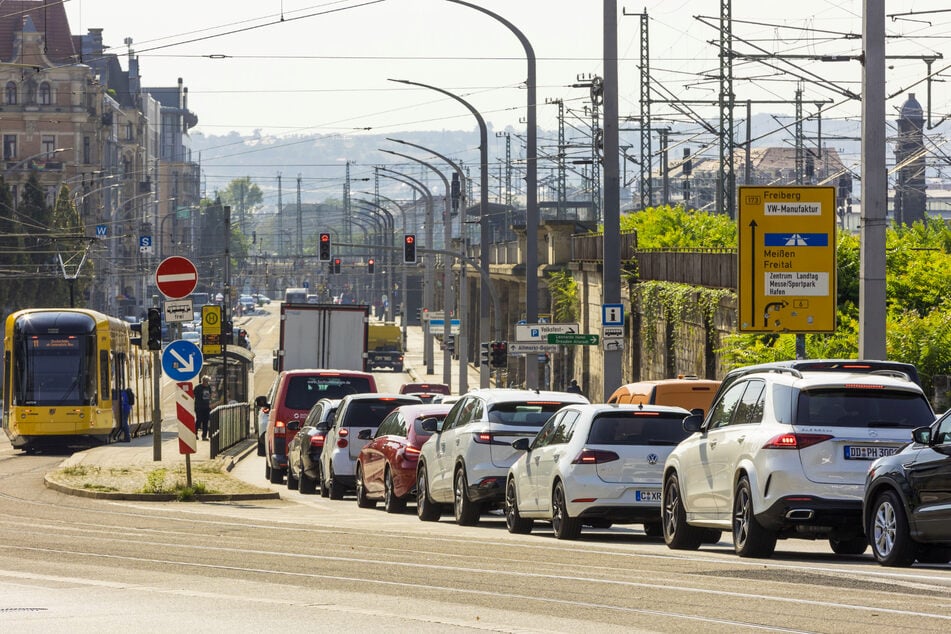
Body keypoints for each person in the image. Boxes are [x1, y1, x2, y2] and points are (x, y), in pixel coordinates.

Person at [194, 375, 213, 440]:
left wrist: (210, 404)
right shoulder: (198, 387)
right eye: (206, 382)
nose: (207, 383)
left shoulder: (209, 387)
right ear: (203, 381)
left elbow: (210, 396)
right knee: (199, 420)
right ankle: (194, 434)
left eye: (208, 382)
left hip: (206, 407)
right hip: (199, 407)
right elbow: (193, 395)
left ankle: (204, 436)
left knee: (206, 421)